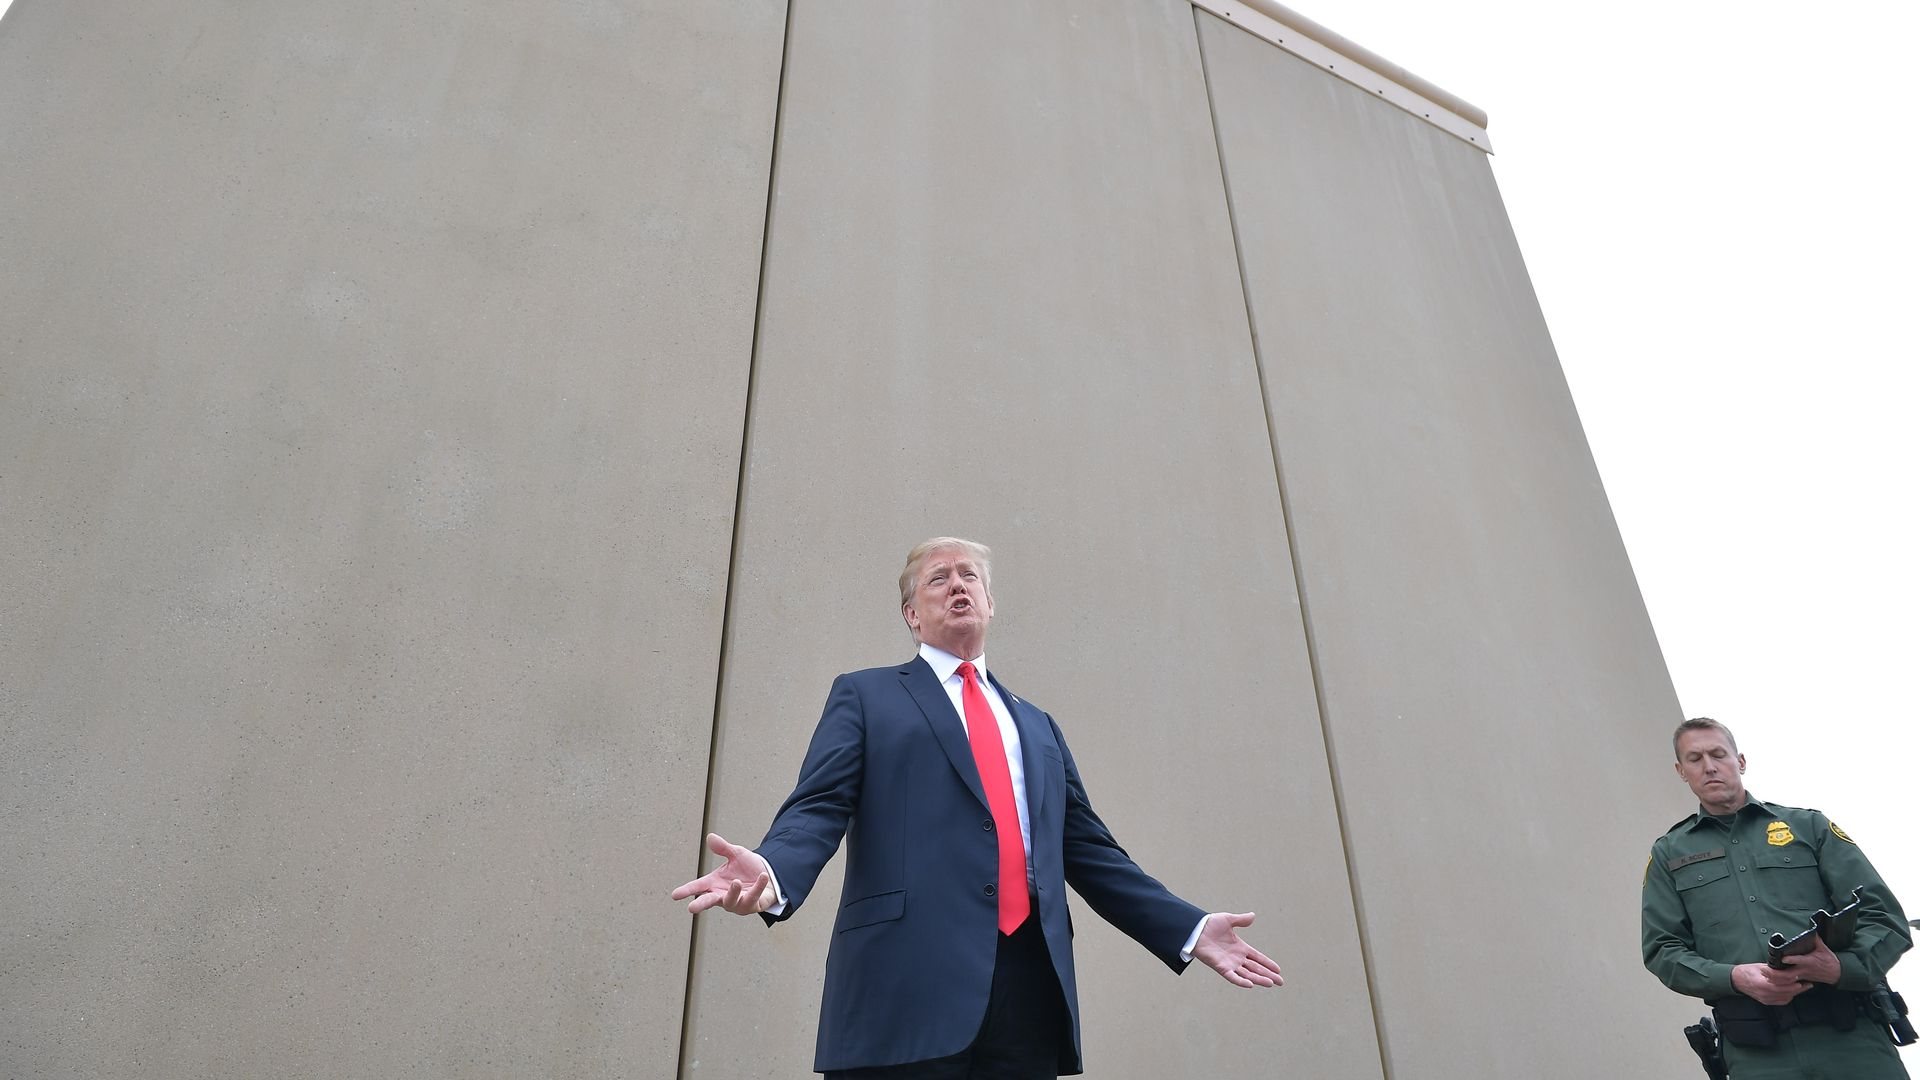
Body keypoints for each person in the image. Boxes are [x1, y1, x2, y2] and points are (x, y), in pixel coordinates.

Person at [672, 537, 1281, 1078]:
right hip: (905, 988)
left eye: (970, 576)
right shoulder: (867, 695)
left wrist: (1189, 928)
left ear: (990, 604)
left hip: (1027, 996)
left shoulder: (1038, 726)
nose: (957, 584)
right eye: (938, 578)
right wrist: (774, 868)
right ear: (912, 614)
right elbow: (821, 804)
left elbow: (1091, 851)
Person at [1642, 716, 1913, 1078]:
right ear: (1681, 771)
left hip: (1850, 1038)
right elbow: (1663, 950)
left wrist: (1840, 967)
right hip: (1757, 1054)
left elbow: (1884, 920)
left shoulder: (1809, 827)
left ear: (1740, 761)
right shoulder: (1668, 854)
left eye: (1718, 754)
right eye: (1695, 759)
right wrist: (1734, 977)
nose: (1709, 767)